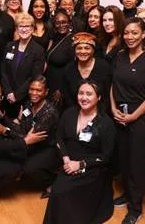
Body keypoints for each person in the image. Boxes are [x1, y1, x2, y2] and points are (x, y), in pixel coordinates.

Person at [110, 17, 145, 223]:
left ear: (143, 34)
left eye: (134, 33)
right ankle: (128, 194)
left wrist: (134, 116)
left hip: (140, 119)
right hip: (120, 117)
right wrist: (113, 108)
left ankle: (135, 208)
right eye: (126, 33)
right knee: (123, 160)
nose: (130, 37)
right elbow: (113, 84)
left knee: (137, 164)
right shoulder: (120, 56)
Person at [43, 80, 116, 224]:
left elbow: (106, 156)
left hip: (92, 168)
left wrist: (81, 164)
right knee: (57, 190)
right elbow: (59, 137)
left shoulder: (106, 123)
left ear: (99, 97)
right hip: (69, 163)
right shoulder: (69, 113)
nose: (84, 97)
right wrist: (66, 160)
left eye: (89, 94)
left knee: (71, 193)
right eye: (81, 93)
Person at [8, 76, 61, 197]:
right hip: (32, 146)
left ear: (46, 92)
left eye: (38, 90)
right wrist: (16, 124)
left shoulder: (50, 112)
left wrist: (6, 129)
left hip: (49, 149)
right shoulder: (28, 104)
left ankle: (53, 182)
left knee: (28, 169)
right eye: (31, 89)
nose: (34, 93)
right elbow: (22, 130)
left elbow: (28, 137)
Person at [1, 13, 45, 118]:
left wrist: (16, 95)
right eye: (21, 26)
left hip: (25, 98)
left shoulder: (38, 50)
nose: (24, 30)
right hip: (7, 97)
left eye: (27, 26)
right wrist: (8, 92)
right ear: (16, 28)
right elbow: (3, 71)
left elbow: (34, 77)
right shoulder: (10, 46)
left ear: (32, 29)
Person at [61, 32, 112, 109]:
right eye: (79, 48)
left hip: (100, 113)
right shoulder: (69, 69)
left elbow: (107, 95)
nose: (83, 51)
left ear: (93, 50)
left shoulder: (104, 67)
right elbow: (67, 97)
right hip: (76, 112)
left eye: (87, 48)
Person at [45, 9, 74, 109]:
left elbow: (72, 68)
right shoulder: (54, 37)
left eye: (64, 22)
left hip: (60, 87)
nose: (61, 25)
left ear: (69, 23)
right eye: (58, 23)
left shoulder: (73, 41)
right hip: (49, 83)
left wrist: (61, 89)